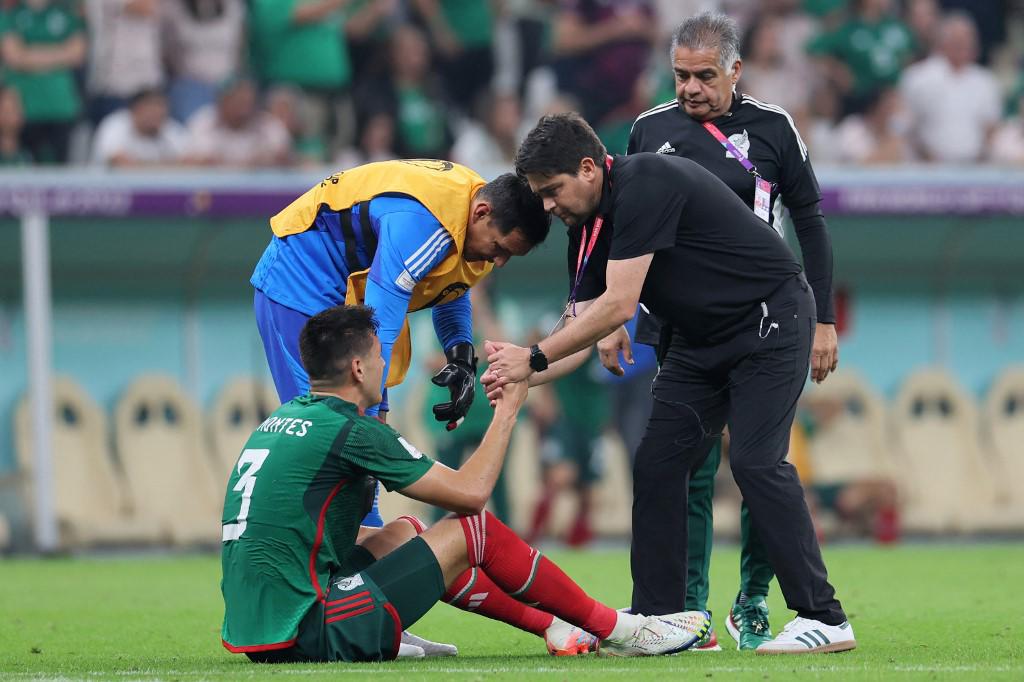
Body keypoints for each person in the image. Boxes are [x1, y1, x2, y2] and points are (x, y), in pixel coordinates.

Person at [485, 111, 855, 655]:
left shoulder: (645, 181)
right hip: (699, 342)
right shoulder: (584, 227)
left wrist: (533, 357)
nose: (546, 206)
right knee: (657, 461)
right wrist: (521, 372)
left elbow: (618, 304)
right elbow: (580, 330)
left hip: (770, 319)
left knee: (755, 462)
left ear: (589, 168)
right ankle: (665, 620)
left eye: (551, 190)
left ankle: (824, 616)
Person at [220, 304, 711, 662]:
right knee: (471, 528)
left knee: (406, 534)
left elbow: (308, 536)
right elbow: (471, 494)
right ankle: (622, 629)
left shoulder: (280, 421)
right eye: (379, 357)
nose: (384, 367)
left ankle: (555, 626)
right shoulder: (351, 429)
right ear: (357, 368)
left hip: (260, 630)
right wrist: (509, 407)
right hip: (308, 630)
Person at [626, 11, 839, 650]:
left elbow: (810, 220)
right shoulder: (647, 131)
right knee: (683, 462)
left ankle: (753, 595)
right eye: (680, 76)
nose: (690, 88)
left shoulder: (773, 129)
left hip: (763, 319)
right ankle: (684, 611)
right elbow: (626, 230)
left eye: (704, 76)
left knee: (755, 462)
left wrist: (824, 318)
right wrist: (618, 317)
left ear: (736, 71)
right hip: (681, 324)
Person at [250, 158, 549, 540]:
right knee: (328, 425)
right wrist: (369, 415)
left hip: (348, 294)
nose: (499, 262)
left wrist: (460, 357)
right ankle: (306, 547)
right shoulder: (423, 224)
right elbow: (376, 331)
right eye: (499, 247)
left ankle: (364, 532)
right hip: (297, 280)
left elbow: (451, 287)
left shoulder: (474, 217)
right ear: (482, 213)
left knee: (367, 421)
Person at [91, 89, 186, 167]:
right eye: (151, 110)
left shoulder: (169, 126)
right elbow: (118, 162)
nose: (156, 115)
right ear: (135, 109)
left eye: (160, 112)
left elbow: (190, 160)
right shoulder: (115, 124)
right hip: (111, 187)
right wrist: (168, 164)